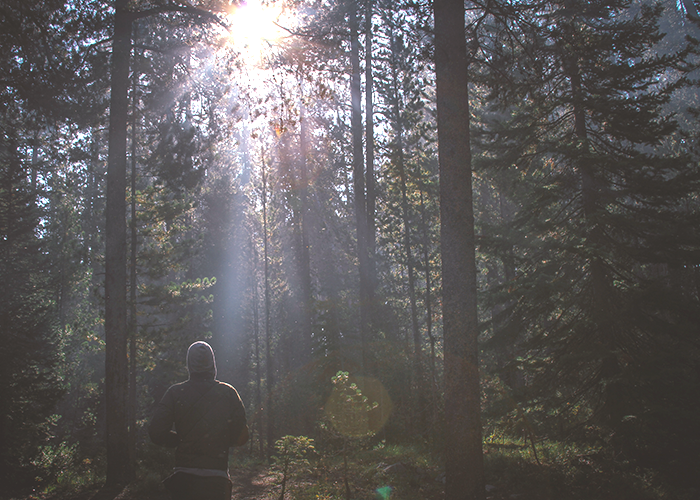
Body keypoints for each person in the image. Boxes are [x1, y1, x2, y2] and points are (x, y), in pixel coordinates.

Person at [149, 341, 249, 500]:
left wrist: (180, 440)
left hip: (184, 480)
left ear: (189, 365)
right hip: (217, 479)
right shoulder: (228, 392)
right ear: (213, 365)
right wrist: (219, 441)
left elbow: (156, 432)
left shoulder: (175, 393)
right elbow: (242, 436)